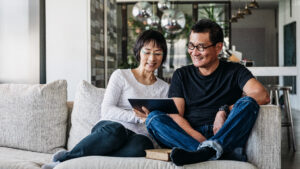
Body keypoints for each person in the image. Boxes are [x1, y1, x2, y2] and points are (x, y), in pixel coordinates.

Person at [141, 19, 270, 166]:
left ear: (218, 47)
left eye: (201, 47)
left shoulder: (235, 70)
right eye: (191, 45)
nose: (194, 52)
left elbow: (262, 95)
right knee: (153, 118)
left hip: (225, 131)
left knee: (248, 102)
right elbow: (176, 114)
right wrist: (198, 138)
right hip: (191, 135)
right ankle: (214, 151)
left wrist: (224, 110)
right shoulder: (181, 74)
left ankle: (203, 152)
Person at [42, 29, 169, 169]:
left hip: (138, 137)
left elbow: (162, 120)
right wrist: (138, 117)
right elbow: (107, 110)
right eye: (147, 52)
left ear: (163, 57)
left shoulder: (165, 88)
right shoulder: (121, 75)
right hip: (110, 128)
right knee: (117, 131)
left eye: (157, 53)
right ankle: (64, 159)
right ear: (139, 51)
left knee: (142, 146)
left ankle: (93, 153)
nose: (152, 58)